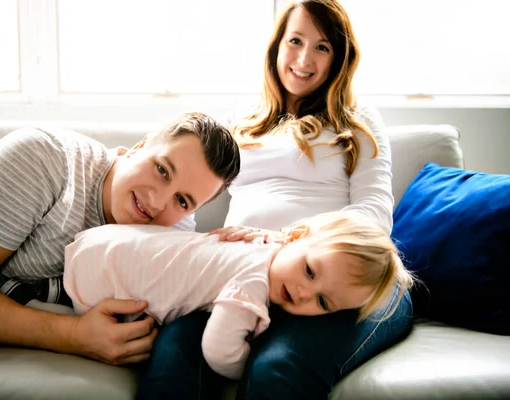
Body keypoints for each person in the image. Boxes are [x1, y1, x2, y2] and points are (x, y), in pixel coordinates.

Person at [136, 1, 413, 399]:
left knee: (277, 368)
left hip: (348, 280)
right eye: (295, 40)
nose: (303, 58)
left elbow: (373, 215)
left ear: (339, 58)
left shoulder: (356, 119)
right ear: (276, 47)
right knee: (173, 354)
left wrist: (285, 241)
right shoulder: (239, 120)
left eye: (322, 47)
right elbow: (185, 196)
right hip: (246, 274)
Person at [0, 112, 240, 367]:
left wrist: (245, 245)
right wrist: (73, 336)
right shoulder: (43, 158)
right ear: (139, 147)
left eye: (182, 201)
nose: (157, 202)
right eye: (162, 170)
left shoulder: (172, 232)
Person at [54, 208, 412, 381]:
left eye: (322, 302)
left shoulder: (266, 242)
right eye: (310, 271)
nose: (303, 292)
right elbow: (218, 349)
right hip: (99, 281)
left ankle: (48, 289)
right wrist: (243, 362)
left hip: (102, 241)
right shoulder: (253, 284)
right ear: (295, 236)